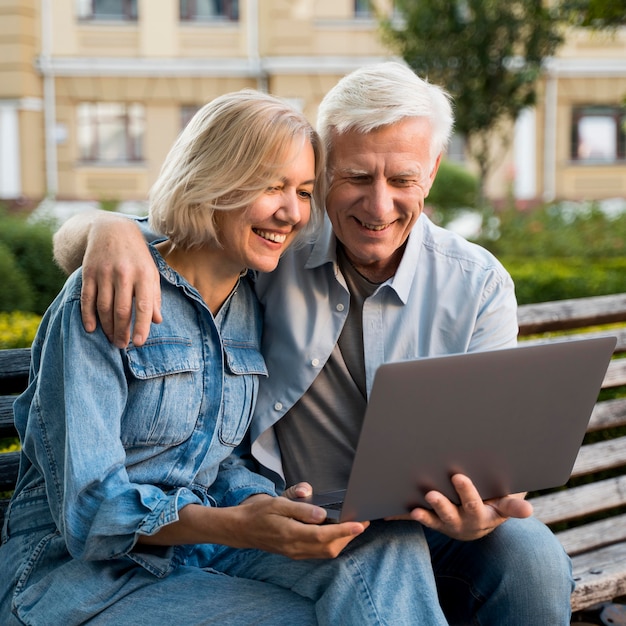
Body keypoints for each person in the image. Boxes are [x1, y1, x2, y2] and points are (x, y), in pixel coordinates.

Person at [52, 63, 575, 624]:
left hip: (414, 519)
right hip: (286, 513)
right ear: (324, 165)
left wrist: (483, 512)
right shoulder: (273, 244)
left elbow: (495, 453)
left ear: (433, 169)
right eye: (354, 178)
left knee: (530, 557)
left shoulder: (477, 283)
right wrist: (108, 227)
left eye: (402, 180)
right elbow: (180, 230)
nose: (377, 208)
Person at [0, 89, 441, 626]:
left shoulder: (251, 301)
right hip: (78, 579)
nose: (293, 212)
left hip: (200, 550)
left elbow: (218, 461)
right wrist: (234, 525)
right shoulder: (109, 296)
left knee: (388, 549)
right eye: (271, 186)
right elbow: (90, 510)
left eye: (304, 191)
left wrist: (277, 510)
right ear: (212, 181)